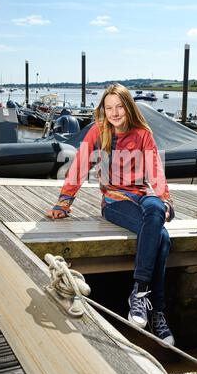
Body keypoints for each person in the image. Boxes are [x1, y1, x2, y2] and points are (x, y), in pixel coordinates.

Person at [46, 84, 175, 345]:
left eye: (119, 106)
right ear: (103, 110)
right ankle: (157, 310)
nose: (114, 112)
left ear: (128, 107)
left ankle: (138, 292)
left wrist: (165, 198)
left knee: (156, 207)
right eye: (109, 107)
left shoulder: (142, 134)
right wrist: (64, 203)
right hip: (115, 201)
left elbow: (155, 171)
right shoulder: (98, 131)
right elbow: (80, 166)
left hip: (142, 194)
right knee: (162, 237)